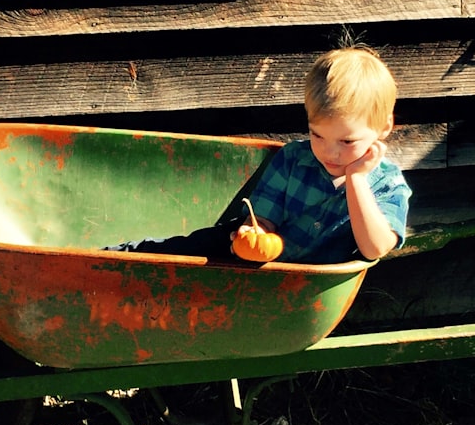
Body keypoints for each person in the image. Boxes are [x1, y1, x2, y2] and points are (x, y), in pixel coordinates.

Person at [105, 44, 411, 264]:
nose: (329, 151)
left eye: (347, 141)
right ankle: (119, 257)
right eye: (317, 134)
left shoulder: (386, 185)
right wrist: (255, 233)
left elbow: (375, 249)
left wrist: (356, 179)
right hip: (252, 258)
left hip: (304, 284)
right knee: (185, 249)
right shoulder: (294, 159)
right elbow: (263, 219)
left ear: (384, 127)